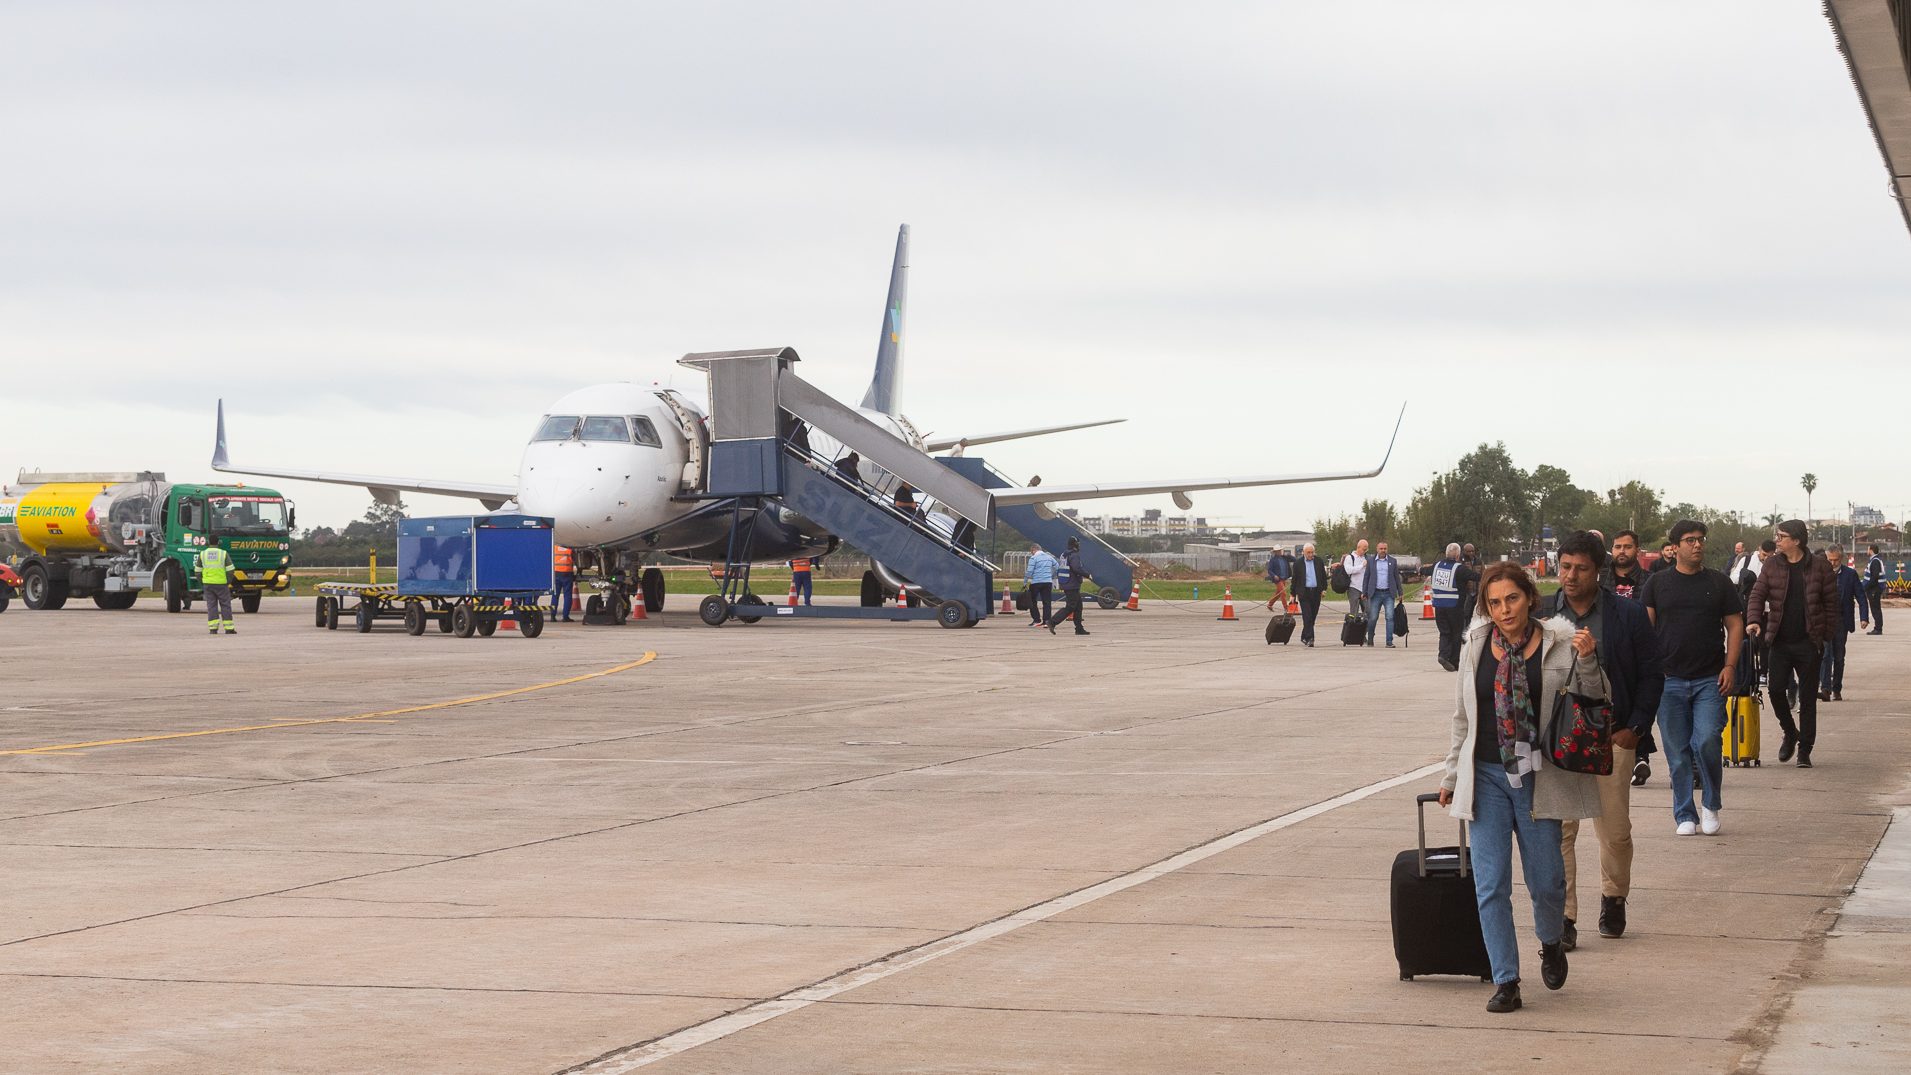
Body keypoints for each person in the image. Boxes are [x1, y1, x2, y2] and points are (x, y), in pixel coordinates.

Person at [1438, 562, 1605, 1013]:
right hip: (1487, 777)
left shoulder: (1561, 642)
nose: (1504, 609)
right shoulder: (1475, 646)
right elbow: (1462, 720)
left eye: (1512, 598)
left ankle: (1550, 941)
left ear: (1531, 598)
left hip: (1540, 777)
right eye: (1494, 602)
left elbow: (1595, 695)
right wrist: (1452, 776)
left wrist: (1587, 660)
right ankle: (1506, 980)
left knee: (1547, 882)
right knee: (1490, 884)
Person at [1545, 532, 1663, 949]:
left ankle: (1614, 898)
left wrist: (1636, 726)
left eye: (1580, 568)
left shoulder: (1626, 616)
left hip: (1611, 737)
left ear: (1599, 571)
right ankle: (1564, 917)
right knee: (1560, 832)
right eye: (1565, 567)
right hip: (1557, 742)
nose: (1570, 576)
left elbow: (1652, 673)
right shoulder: (1542, 614)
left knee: (1613, 831)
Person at [1640, 520, 1744, 835]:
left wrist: (1730, 666)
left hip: (1710, 680)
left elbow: (1735, 625)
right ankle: (1685, 814)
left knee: (1708, 741)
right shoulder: (1657, 584)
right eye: (1689, 540)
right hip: (1668, 681)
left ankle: (1711, 803)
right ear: (1674, 547)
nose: (1697, 545)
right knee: (1677, 751)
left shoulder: (1719, 583)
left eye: (1701, 539)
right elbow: (1645, 630)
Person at [1745, 520, 1838, 768]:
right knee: (1775, 690)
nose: (1777, 540)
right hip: (1780, 642)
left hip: (1809, 644)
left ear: (1796, 540)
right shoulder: (1772, 564)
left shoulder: (1820, 567)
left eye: (1782, 536)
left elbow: (1831, 603)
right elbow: (1757, 594)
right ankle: (1790, 731)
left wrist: (1825, 636)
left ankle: (1805, 749)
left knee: (1807, 699)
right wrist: (1754, 620)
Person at [1820, 544, 1867, 702]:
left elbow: (1860, 596)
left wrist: (1864, 617)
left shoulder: (1850, 574)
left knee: (1839, 657)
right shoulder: (1820, 574)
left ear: (1841, 559)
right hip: (1824, 620)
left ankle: (1836, 689)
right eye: (1830, 560)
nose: (1832, 563)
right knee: (1825, 655)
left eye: (1836, 560)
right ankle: (1825, 689)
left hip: (1841, 621)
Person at [1430, 543, 1467, 671]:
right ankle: (1454, 661)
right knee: (1456, 634)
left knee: (1444, 632)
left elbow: (1424, 570)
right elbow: (1474, 576)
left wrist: (1419, 570)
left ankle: (1443, 655)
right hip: (1454, 607)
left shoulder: (1437, 566)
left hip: (1439, 606)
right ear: (1457, 555)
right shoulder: (1459, 568)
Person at [1045, 537, 1090, 636]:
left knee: (1078, 607)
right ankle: (1052, 622)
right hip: (1072, 584)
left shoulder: (1064, 554)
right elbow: (1076, 568)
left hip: (1066, 583)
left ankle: (1079, 628)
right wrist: (1087, 575)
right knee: (1070, 606)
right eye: (1078, 543)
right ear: (1075, 544)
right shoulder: (1074, 555)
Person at [1366, 540, 1403, 647]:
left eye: (1385, 549)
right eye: (1381, 549)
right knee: (1373, 617)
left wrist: (1400, 592)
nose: (1383, 550)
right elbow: (1366, 577)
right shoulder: (1371, 561)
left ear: (1387, 549)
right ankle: (1370, 638)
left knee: (1390, 617)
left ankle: (1389, 641)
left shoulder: (1392, 561)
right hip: (1375, 593)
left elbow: (1396, 577)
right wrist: (1365, 592)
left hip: (1389, 594)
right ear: (1377, 549)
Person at [1291, 543, 1329, 647]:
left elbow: (1323, 577)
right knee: (1307, 616)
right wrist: (1292, 594)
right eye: (1308, 552)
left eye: (1312, 552)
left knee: (1312, 617)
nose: (1311, 554)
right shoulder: (1298, 563)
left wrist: (1324, 589)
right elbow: (1294, 580)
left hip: (1316, 592)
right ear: (1303, 552)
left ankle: (1304, 636)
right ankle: (1310, 638)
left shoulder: (1318, 561)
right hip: (1304, 593)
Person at [197, 543, 236, 636]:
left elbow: (197, 570)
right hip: (221, 584)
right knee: (225, 605)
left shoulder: (203, 554)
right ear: (218, 542)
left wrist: (202, 582)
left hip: (208, 584)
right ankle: (229, 628)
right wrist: (228, 581)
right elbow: (231, 569)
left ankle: (213, 629)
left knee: (211, 606)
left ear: (208, 543)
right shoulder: (223, 553)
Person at [1024, 544, 1057, 628]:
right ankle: (1046, 621)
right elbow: (1057, 566)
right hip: (1048, 582)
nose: (1032, 553)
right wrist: (1051, 575)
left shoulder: (1034, 558)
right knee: (1047, 602)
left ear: (1033, 550)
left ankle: (1036, 620)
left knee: (1032, 601)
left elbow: (1029, 571)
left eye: (1031, 552)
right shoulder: (1049, 557)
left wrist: (1025, 581)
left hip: (1036, 582)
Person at [1342, 539, 1371, 621]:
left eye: (1366, 550)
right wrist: (1362, 565)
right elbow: (1349, 570)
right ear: (1358, 547)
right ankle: (1353, 631)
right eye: (1364, 549)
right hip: (1353, 587)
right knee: (1354, 612)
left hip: (1365, 589)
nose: (1365, 551)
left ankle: (1366, 630)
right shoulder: (1350, 558)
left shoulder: (1366, 558)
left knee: (1369, 611)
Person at [1863, 543, 1886, 634]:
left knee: (1875, 609)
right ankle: (1878, 628)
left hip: (1874, 589)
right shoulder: (1874, 560)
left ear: (1871, 550)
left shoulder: (1875, 561)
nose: (1867, 551)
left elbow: (1874, 577)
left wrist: (1866, 587)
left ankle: (1878, 629)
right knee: (1875, 608)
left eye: (1868, 549)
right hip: (1874, 588)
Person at [551, 544, 575, 622]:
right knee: (567, 596)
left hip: (556, 573)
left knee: (555, 596)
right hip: (567, 573)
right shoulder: (570, 548)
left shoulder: (555, 547)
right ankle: (565, 616)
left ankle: (552, 616)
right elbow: (573, 559)